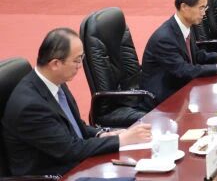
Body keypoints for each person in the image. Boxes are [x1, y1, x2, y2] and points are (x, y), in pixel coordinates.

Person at [2, 28, 152, 176]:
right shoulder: (31, 107)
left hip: (73, 160)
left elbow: (75, 126)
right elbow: (70, 150)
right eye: (77, 60)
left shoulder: (55, 81)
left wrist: (101, 134)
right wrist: (120, 140)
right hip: (55, 172)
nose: (80, 65)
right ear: (55, 64)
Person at [141, 0, 217, 105]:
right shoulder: (164, 38)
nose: (204, 13)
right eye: (201, 8)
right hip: (163, 100)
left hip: (182, 88)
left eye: (205, 8)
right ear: (184, 7)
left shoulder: (186, 25)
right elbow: (184, 70)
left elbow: (195, 55)